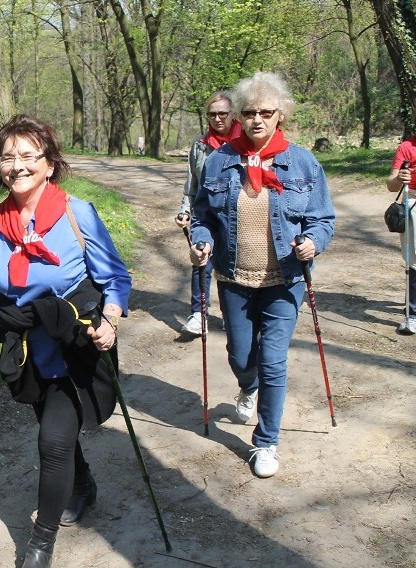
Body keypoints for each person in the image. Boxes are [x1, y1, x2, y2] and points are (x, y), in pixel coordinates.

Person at [0, 114, 132, 568]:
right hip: (25, 344)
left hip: (77, 337)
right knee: (53, 427)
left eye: (26, 156)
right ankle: (83, 486)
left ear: (49, 163)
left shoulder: (78, 214)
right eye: (6, 157)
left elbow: (115, 277)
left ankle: (38, 548)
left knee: (53, 441)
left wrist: (112, 321)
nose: (16, 166)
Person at [190, 73, 335, 478]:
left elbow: (322, 218)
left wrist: (312, 242)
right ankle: (246, 384)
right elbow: (202, 216)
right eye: (249, 112)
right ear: (240, 114)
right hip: (234, 277)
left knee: (274, 360)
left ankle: (266, 442)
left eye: (265, 113)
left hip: (286, 280)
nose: (256, 120)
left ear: (280, 115)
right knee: (241, 356)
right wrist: (200, 240)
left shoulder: (303, 162)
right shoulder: (220, 161)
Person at [175, 91, 241, 335]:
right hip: (206, 214)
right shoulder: (200, 146)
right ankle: (199, 314)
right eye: (212, 114)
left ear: (233, 114)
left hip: (235, 214)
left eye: (223, 113)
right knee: (201, 261)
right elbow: (192, 183)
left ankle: (230, 313)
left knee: (230, 264)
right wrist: (184, 210)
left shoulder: (243, 143)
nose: (218, 118)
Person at [386, 115, 416, 335]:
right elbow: (390, 183)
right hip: (413, 201)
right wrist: (400, 179)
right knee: (414, 261)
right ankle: (413, 315)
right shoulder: (407, 147)